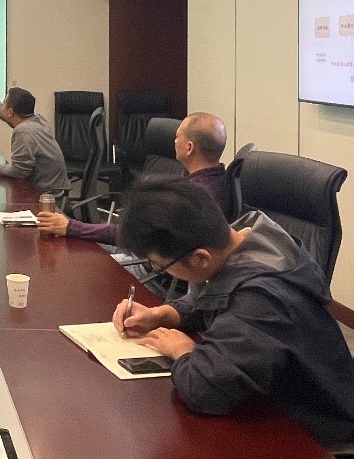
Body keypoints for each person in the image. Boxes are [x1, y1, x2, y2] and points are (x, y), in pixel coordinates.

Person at [111, 179, 354, 450]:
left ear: (200, 258)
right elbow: (215, 295)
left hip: (312, 430)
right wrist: (165, 314)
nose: (158, 270)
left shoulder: (261, 300)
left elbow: (203, 390)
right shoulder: (245, 235)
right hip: (267, 397)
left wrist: (183, 351)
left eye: (157, 266)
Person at [38, 111, 228, 240]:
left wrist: (71, 227)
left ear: (189, 148)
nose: (174, 140)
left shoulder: (193, 196)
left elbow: (134, 235)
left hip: (143, 267)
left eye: (178, 136)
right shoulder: (218, 181)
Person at [0, 85, 71, 193]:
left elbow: (18, 172)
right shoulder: (38, 120)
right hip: (55, 188)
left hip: (48, 195)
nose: (2, 106)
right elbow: (0, 110)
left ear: (10, 112)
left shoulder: (24, 131)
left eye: (4, 104)